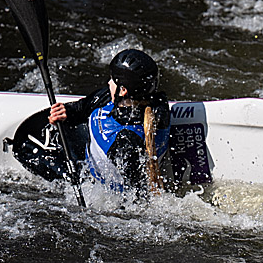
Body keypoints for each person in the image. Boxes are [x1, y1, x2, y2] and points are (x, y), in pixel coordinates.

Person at [48, 48, 171, 194]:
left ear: (123, 90)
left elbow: (135, 199)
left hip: (97, 186)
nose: (108, 82)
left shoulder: (126, 142)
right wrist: (66, 111)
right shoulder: (155, 103)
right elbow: (82, 107)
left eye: (112, 80)